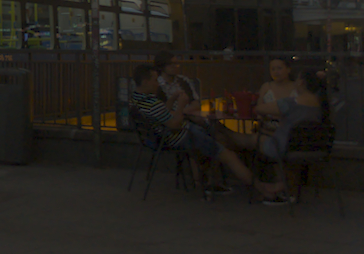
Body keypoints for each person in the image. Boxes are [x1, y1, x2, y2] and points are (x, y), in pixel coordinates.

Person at [130, 64, 282, 200]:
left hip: (168, 136)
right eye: (155, 80)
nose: (157, 84)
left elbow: (164, 112)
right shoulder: (152, 103)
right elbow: (174, 124)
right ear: (145, 82)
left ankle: (213, 180)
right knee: (229, 155)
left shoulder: (137, 99)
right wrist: (181, 105)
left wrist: (174, 99)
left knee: (220, 135)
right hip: (182, 136)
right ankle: (262, 188)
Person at [224, 68, 329, 204]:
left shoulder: (292, 103)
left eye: (297, 79)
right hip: (311, 147)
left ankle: (225, 135)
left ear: (302, 82)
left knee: (254, 139)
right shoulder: (322, 104)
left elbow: (260, 109)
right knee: (265, 138)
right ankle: (281, 187)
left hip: (285, 147)